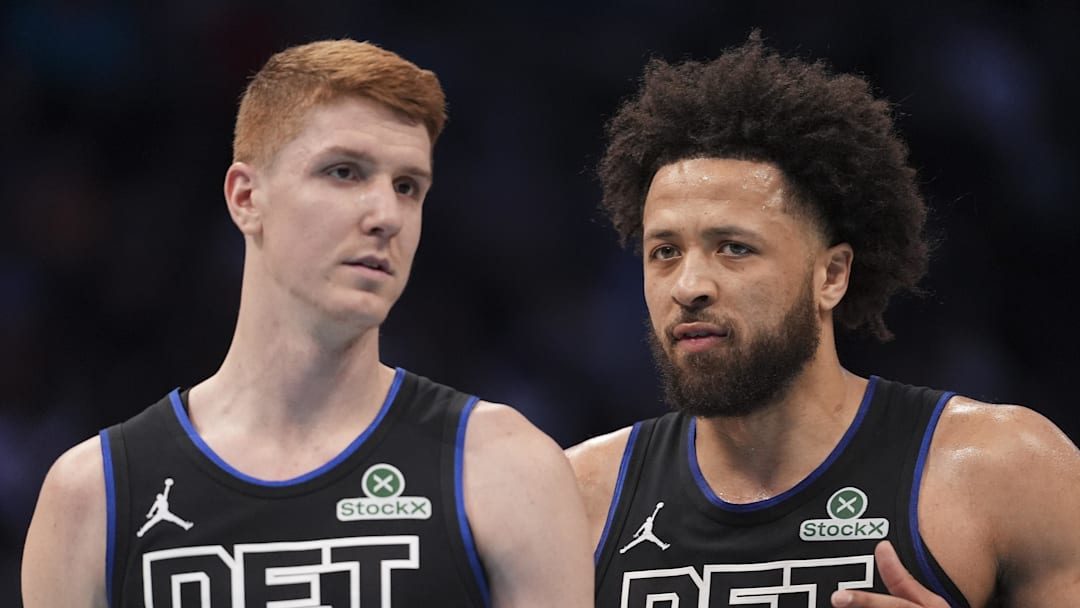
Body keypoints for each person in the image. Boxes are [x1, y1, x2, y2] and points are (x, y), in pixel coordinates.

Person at [22, 39, 593, 608]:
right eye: (344, 172)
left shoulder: (507, 469)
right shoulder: (92, 499)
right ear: (246, 197)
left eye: (407, 187)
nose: (386, 216)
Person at [567, 33, 1080, 608]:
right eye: (664, 252)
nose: (689, 287)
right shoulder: (575, 498)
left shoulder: (1003, 467)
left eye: (734, 248)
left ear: (831, 275)